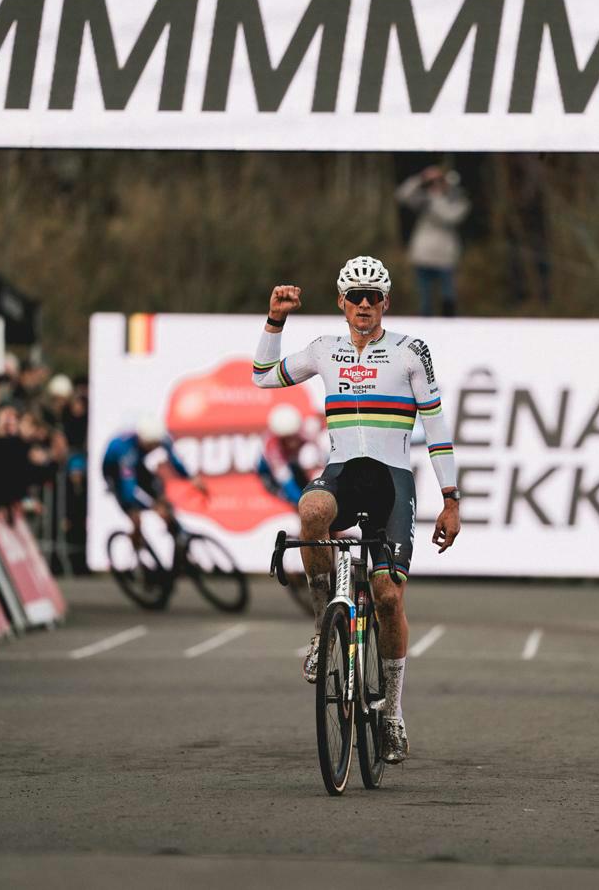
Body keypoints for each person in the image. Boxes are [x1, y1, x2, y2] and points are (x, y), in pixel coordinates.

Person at [252, 255, 461, 764]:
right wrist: (275, 320)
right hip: (344, 473)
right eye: (355, 296)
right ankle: (322, 628)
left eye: (373, 297)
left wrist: (450, 498)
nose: (364, 304)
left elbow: (435, 427)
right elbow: (262, 376)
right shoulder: (325, 349)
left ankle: (392, 712)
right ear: (341, 302)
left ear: (386, 302)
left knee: (387, 597)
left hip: (391, 482)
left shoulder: (410, 351)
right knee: (310, 511)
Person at [102, 415, 207, 549]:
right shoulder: (125, 452)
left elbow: (173, 460)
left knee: (162, 498)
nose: (154, 448)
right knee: (134, 512)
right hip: (115, 473)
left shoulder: (159, 438)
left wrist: (191, 478)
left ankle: (177, 539)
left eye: (156, 445)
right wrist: (153, 506)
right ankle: (135, 536)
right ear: (143, 441)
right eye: (151, 446)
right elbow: (130, 489)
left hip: (138, 465)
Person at [395, 165, 470, 317]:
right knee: (425, 300)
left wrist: (436, 197)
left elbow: (450, 217)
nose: (438, 185)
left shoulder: (458, 202)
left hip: (445, 256)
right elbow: (401, 195)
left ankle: (449, 327)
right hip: (423, 255)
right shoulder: (425, 199)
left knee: (448, 298)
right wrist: (422, 178)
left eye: (441, 182)